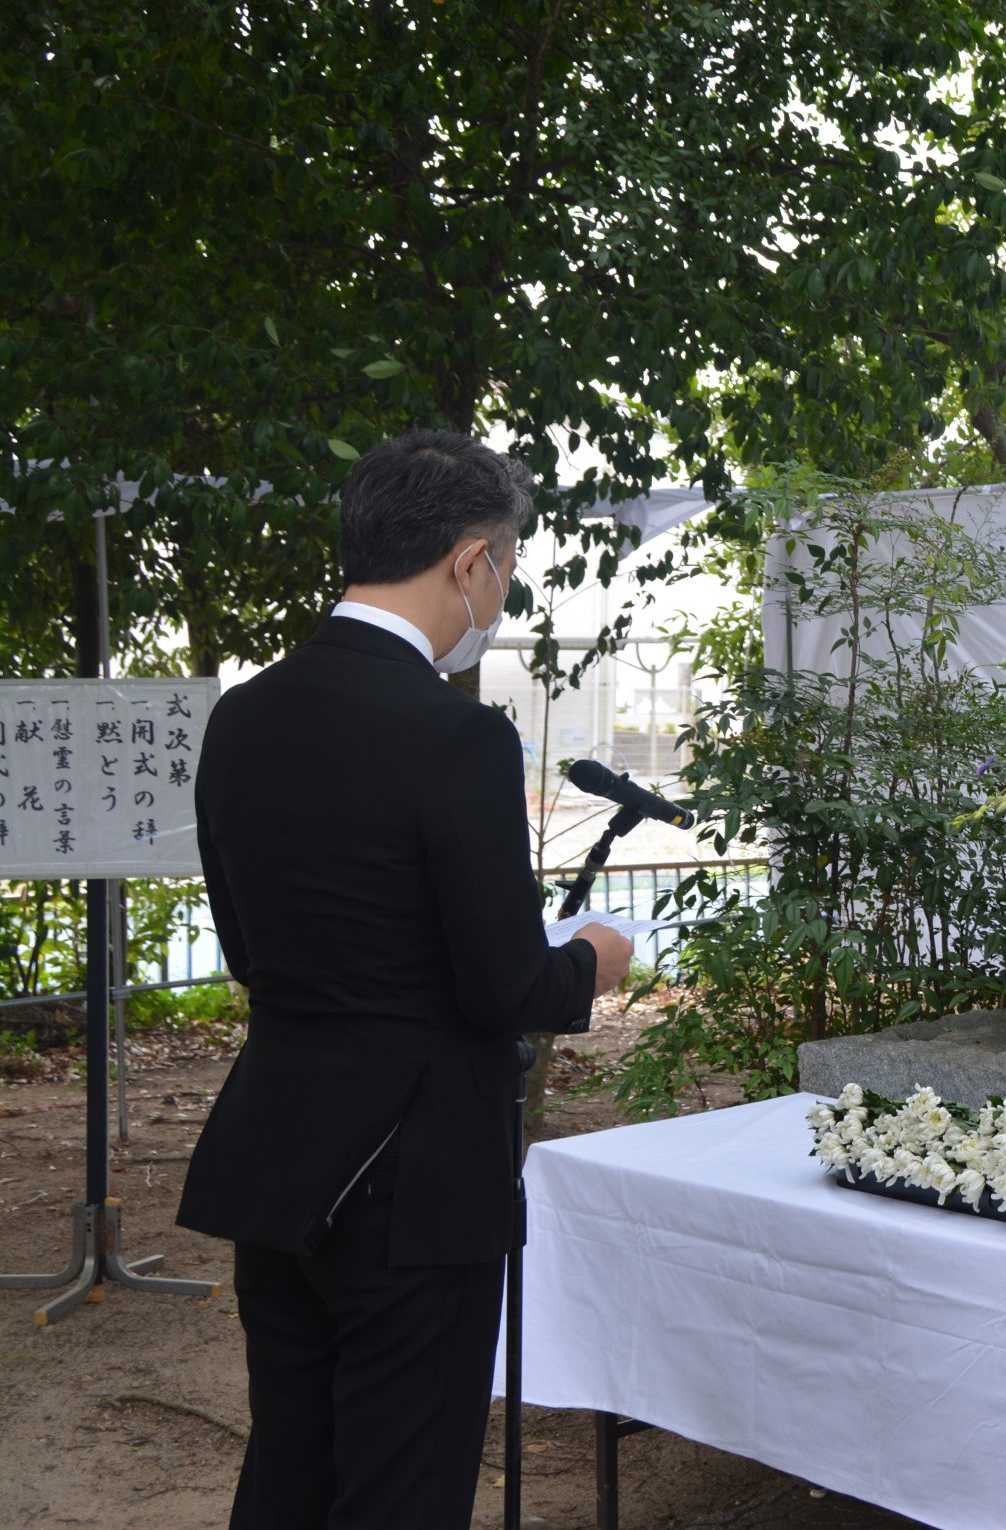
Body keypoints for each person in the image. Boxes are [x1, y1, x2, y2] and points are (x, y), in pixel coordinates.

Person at [178, 431, 636, 1530]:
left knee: (290, 1462)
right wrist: (590, 963)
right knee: (403, 1484)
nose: (503, 589)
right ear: (472, 561)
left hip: (281, 1151)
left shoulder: (242, 717)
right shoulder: (453, 737)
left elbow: (246, 951)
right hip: (415, 1179)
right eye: (509, 565)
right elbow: (500, 989)